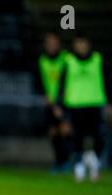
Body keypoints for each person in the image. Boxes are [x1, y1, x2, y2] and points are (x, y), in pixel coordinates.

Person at [55, 33, 112, 182]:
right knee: (75, 138)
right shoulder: (69, 61)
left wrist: (111, 103)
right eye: (78, 43)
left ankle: (94, 161)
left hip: (94, 104)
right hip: (74, 105)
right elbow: (61, 85)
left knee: (99, 137)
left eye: (83, 43)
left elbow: (107, 82)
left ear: (88, 44)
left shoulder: (98, 60)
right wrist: (58, 105)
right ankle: (79, 165)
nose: (81, 46)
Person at [36, 32, 71, 173]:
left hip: (64, 102)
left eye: (53, 42)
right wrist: (44, 95)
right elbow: (38, 81)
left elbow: (68, 81)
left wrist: (60, 102)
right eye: (48, 43)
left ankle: (66, 162)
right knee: (53, 133)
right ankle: (58, 163)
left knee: (65, 131)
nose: (51, 45)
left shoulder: (66, 59)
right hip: (49, 103)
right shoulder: (42, 60)